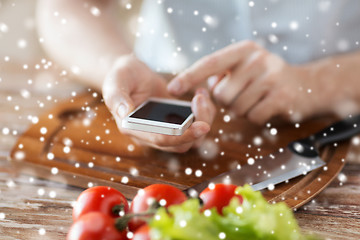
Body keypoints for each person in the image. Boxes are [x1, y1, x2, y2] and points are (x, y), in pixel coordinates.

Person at [36, 0, 360, 153]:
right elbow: (66, 7)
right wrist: (113, 64)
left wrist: (320, 82)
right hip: (160, 87)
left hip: (339, 124)